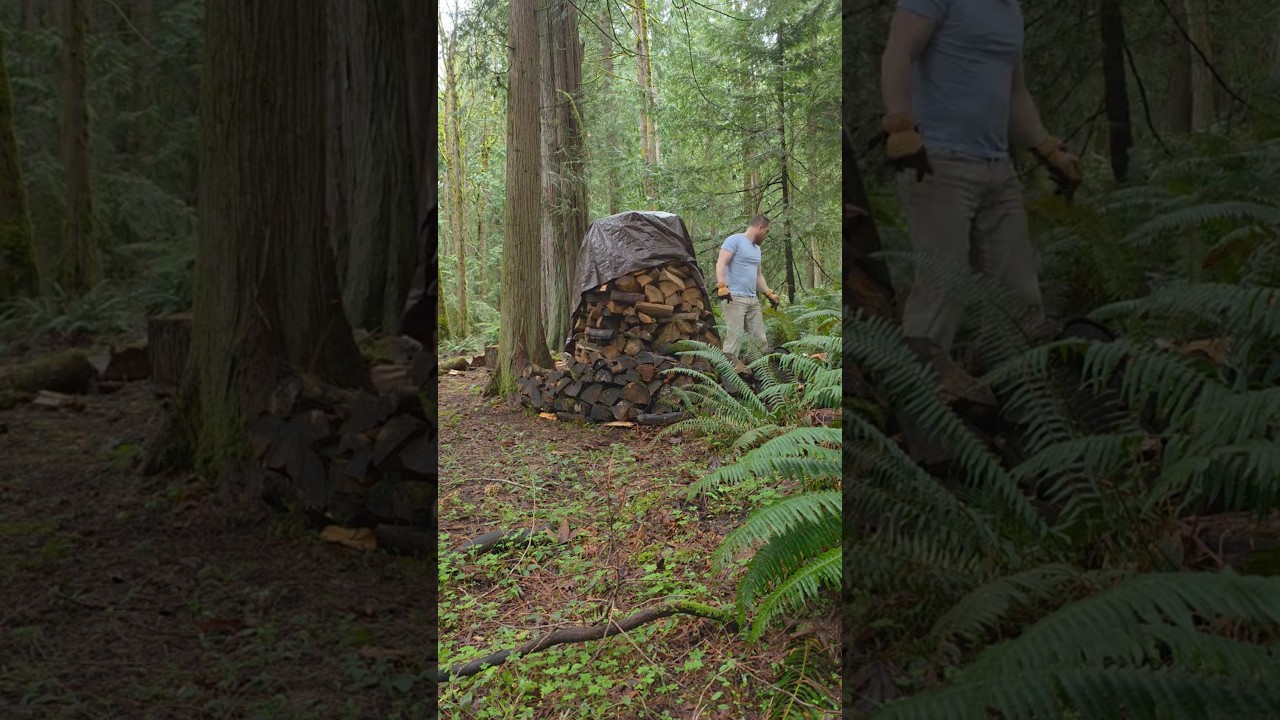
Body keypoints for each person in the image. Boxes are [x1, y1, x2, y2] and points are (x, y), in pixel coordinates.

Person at [880, 0, 1083, 354]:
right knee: (942, 288)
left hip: (998, 166)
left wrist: (1048, 149)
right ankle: (920, 383)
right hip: (937, 162)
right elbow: (900, 50)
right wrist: (900, 125)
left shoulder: (1011, 11)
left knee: (1020, 293)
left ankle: (1019, 380)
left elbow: (1015, 93)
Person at [714, 214, 781, 360]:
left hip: (752, 299)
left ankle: (756, 370)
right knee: (735, 337)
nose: (766, 236)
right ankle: (727, 371)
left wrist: (768, 293)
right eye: (766, 232)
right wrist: (722, 285)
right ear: (760, 227)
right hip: (734, 297)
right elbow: (721, 262)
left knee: (760, 340)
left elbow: (758, 275)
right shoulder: (734, 240)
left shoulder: (757, 249)